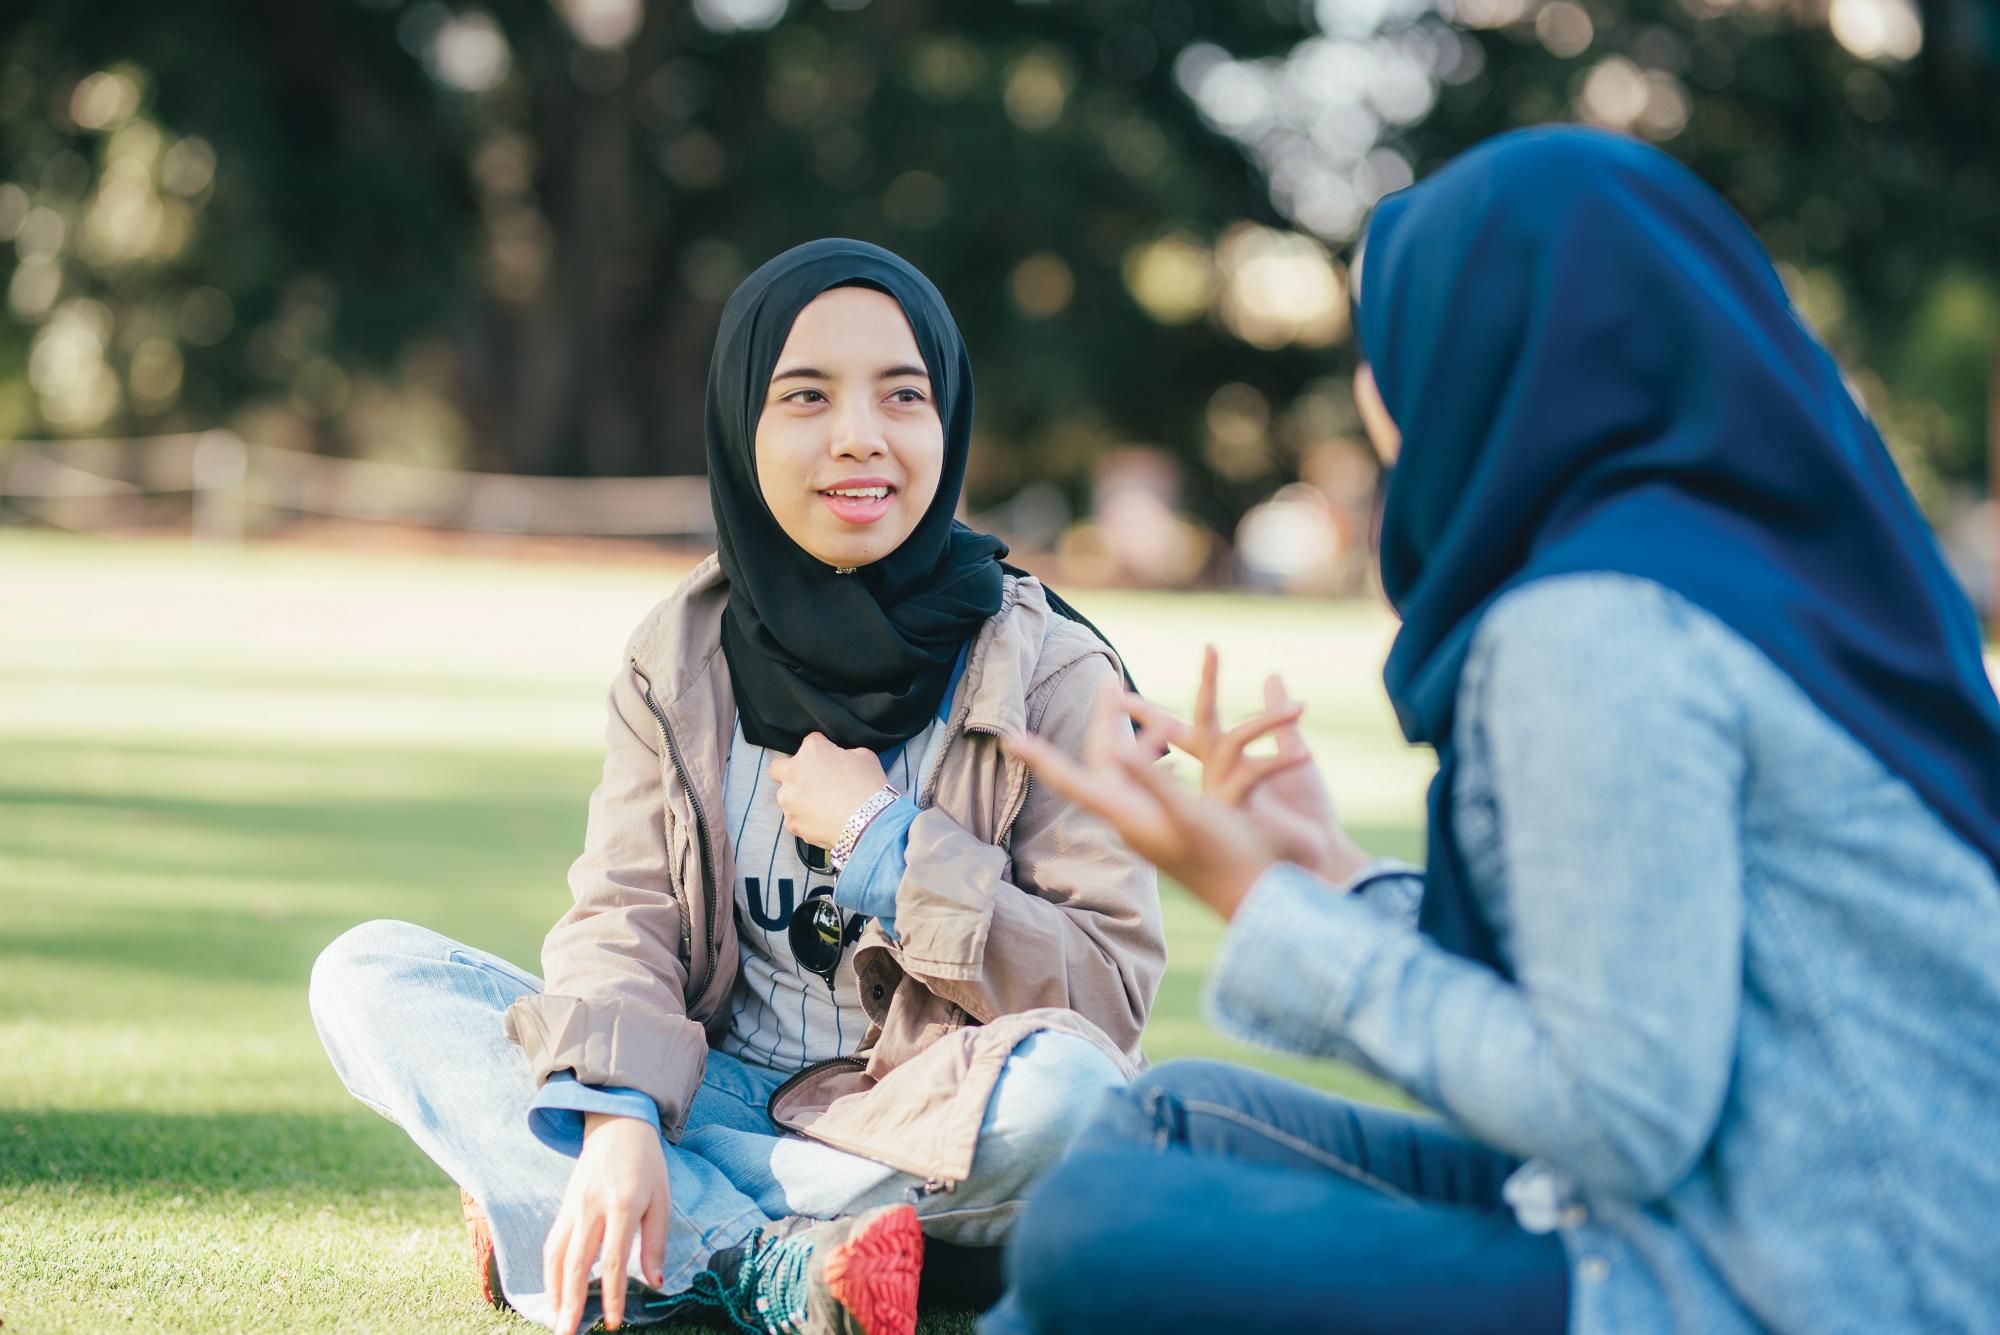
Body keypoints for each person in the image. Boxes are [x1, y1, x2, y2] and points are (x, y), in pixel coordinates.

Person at [993, 127, 2000, 1334]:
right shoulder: (1745, 572)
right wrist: (1331, 875)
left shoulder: (1594, 628)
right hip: (1761, 1210)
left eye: (1392, 341)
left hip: (1814, 1285)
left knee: (1082, 1239)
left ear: (1491, 352)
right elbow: (1631, 1001)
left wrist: (1261, 904)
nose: (1374, 390)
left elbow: (1617, 1114)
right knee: (1183, 1119)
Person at [309, 239, 1163, 1335]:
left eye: (902, 395)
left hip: (923, 1109)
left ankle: (610, 1222)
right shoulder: (679, 650)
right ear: (737, 424)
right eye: (804, 395)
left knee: (1076, 1108)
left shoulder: (1048, 670)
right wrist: (618, 1115)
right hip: (702, 1083)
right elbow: (622, 918)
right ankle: (756, 1257)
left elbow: (1100, 997)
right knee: (369, 976)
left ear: (945, 420)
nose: (859, 434)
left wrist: (887, 844)